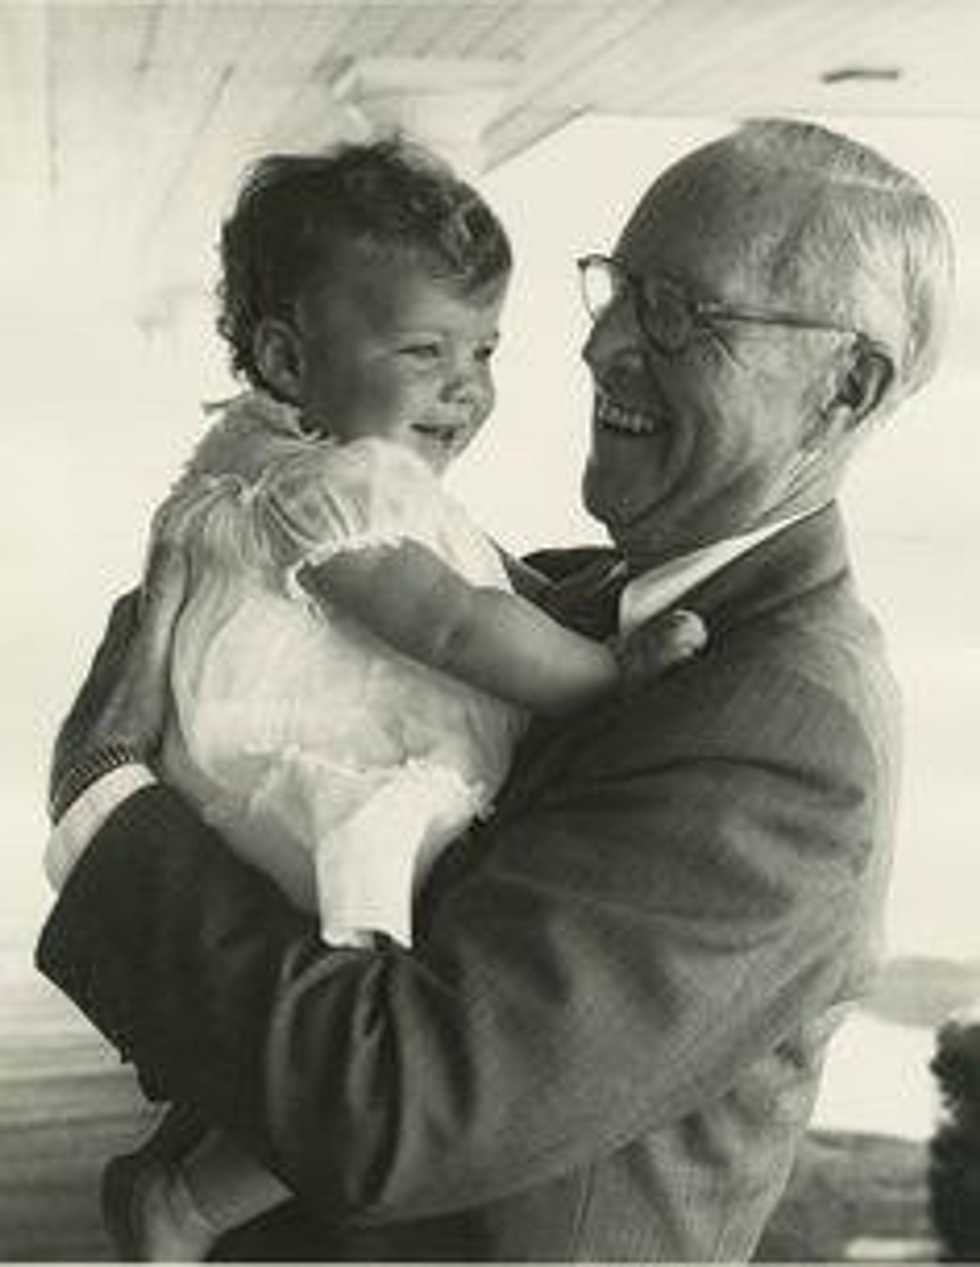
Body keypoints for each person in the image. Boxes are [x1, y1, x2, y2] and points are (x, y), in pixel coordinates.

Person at [36, 117, 954, 1261]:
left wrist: (103, 793)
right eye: (615, 291)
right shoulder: (582, 600)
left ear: (845, 386)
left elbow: (390, 1108)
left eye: (676, 311)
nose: (601, 345)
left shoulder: (789, 734)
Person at [48, 140, 703, 1260]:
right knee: (364, 1002)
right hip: (316, 778)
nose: (466, 386)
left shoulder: (269, 455)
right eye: (423, 350)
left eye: (484, 349)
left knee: (308, 993)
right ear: (286, 355)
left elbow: (476, 576)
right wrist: (610, 674)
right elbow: (452, 622)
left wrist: (554, 598)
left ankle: (189, 1162)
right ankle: (190, 1202)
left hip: (244, 770)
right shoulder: (329, 489)